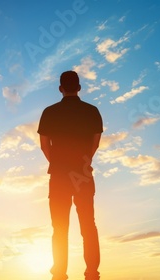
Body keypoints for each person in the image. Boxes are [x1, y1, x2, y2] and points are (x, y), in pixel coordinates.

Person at [37, 70, 103, 280]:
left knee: (59, 227)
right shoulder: (92, 111)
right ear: (79, 87)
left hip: (59, 177)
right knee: (88, 225)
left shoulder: (49, 112)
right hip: (83, 174)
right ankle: (92, 273)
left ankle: (59, 274)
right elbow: (95, 143)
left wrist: (57, 163)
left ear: (60, 88)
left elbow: (44, 146)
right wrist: (84, 162)